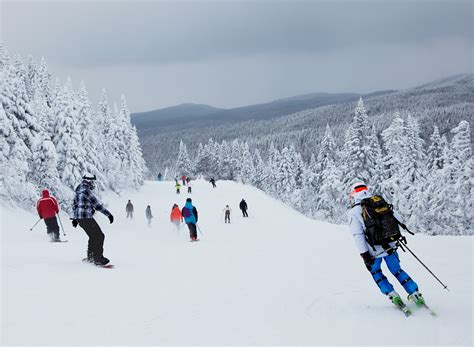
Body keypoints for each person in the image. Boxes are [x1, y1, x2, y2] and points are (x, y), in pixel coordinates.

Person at [348, 181, 425, 310]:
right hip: (391, 246)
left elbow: (358, 235)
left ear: (354, 194)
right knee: (397, 270)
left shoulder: (354, 212)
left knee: (376, 271)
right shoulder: (379, 203)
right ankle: (415, 293)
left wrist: (364, 255)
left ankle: (392, 294)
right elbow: (398, 220)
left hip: (373, 252)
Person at [71, 174, 114, 266]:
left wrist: (75, 219)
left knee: (93, 236)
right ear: (89, 181)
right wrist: (109, 215)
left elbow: (75, 205)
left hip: (81, 219)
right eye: (93, 181)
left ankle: (91, 257)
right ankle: (98, 258)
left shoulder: (78, 190)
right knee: (100, 236)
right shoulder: (86, 191)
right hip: (86, 218)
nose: (94, 184)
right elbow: (97, 205)